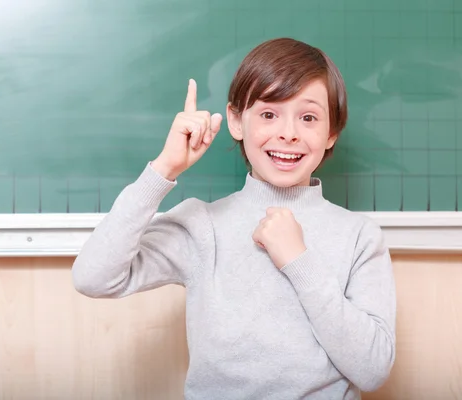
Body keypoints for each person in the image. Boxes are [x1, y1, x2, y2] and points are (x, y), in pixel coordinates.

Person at [72, 37, 396, 400]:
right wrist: (163, 169)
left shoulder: (359, 237)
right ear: (236, 121)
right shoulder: (201, 225)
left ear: (332, 132)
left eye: (308, 117)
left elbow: (372, 369)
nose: (288, 133)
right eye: (269, 114)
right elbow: (93, 278)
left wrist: (299, 262)